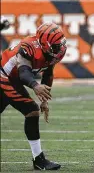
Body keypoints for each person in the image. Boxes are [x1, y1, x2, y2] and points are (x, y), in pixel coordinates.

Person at [0, 22, 67, 170]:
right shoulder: (28, 47)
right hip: (4, 77)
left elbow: (48, 73)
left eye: (61, 42)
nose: (60, 47)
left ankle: (38, 160)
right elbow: (24, 73)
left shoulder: (51, 52)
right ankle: (39, 160)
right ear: (45, 44)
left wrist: (44, 100)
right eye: (56, 45)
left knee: (32, 110)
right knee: (31, 110)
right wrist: (35, 86)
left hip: (13, 79)